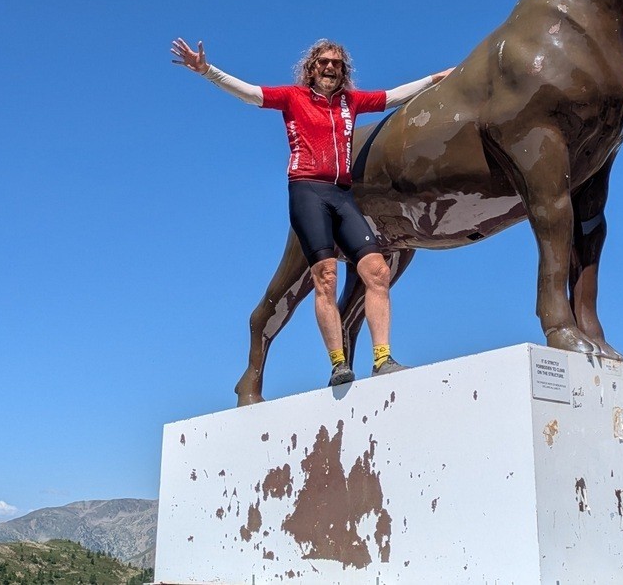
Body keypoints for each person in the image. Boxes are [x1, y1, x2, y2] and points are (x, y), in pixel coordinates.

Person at [171, 36, 451, 386]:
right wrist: (207, 70)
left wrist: (433, 80)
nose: (330, 68)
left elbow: (392, 96)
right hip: (307, 192)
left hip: (342, 195)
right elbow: (250, 93)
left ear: (343, 71)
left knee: (377, 271)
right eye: (323, 62)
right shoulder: (293, 97)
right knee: (327, 278)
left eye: (336, 63)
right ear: (311, 68)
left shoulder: (350, 102)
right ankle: (338, 364)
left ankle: (382, 359)